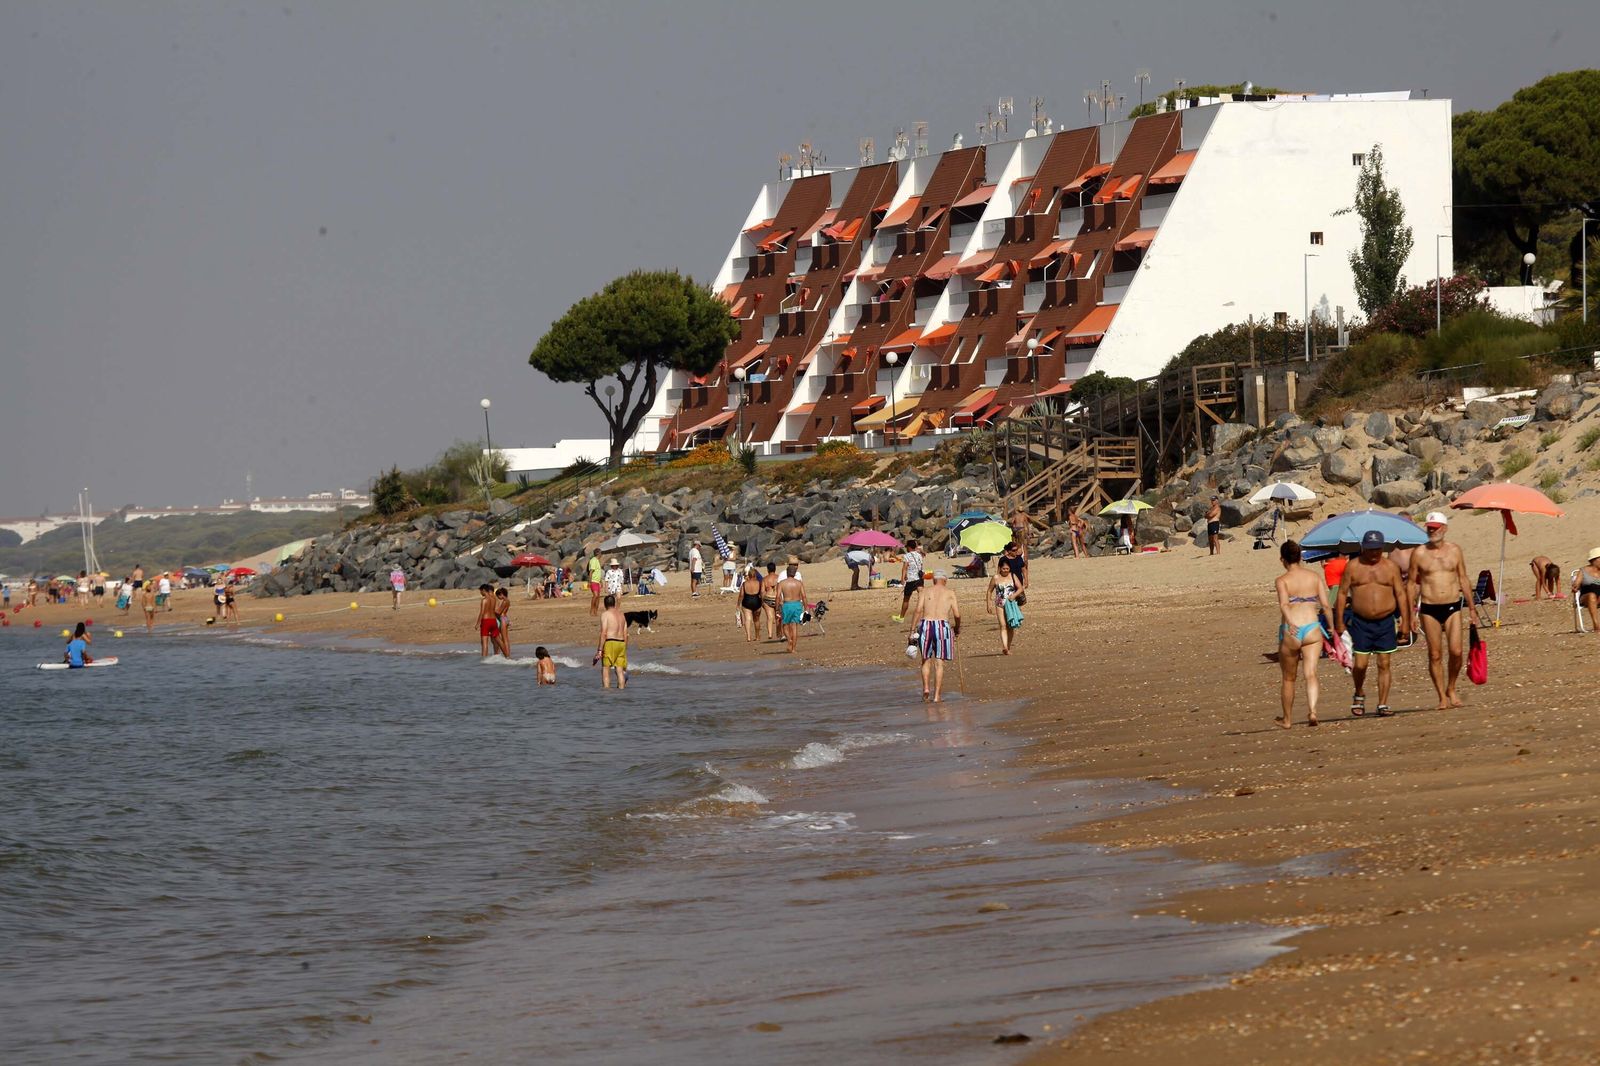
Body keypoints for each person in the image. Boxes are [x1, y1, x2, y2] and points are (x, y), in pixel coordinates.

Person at [1333, 529, 1411, 718]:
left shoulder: (1391, 567)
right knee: (1360, 664)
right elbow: (1342, 593)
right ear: (1363, 548)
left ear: (1382, 547)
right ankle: (1359, 692)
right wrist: (1339, 621)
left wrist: (1405, 622)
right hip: (1360, 622)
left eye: (1377, 549)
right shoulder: (1353, 566)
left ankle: (1382, 704)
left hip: (1385, 622)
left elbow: (1401, 594)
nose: (1374, 553)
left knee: (1384, 663)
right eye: (1370, 549)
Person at [1408, 511, 1481, 710]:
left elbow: (1463, 578)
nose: (1431, 532)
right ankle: (1441, 695)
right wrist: (1410, 612)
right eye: (1429, 528)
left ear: (1445, 528)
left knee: (1456, 651)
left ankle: (1451, 687)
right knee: (1435, 654)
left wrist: (1472, 608)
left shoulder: (1455, 550)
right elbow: (1412, 584)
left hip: (1452, 605)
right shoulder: (1419, 553)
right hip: (1429, 607)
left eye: (1435, 528)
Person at [1275, 540, 1330, 729]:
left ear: (1283, 559)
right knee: (1311, 674)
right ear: (1300, 557)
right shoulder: (1314, 576)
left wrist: (1290, 623)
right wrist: (1331, 627)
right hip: (1312, 628)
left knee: (1289, 678)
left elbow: (1284, 605)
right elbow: (1325, 604)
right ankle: (1313, 711)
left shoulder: (1282, 580)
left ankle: (1287, 719)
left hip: (1293, 630)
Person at [910, 570, 961, 703]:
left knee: (925, 659)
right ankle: (937, 696)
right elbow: (957, 614)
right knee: (939, 663)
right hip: (942, 626)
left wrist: (911, 630)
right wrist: (957, 628)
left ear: (933, 580)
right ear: (945, 580)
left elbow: (918, 610)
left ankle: (926, 688)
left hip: (926, 625)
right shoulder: (950, 593)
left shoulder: (924, 591)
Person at [987, 558, 1022, 655]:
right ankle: (1005, 647)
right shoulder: (995, 578)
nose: (1006, 570)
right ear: (1000, 568)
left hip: (1010, 604)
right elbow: (989, 591)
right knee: (1002, 625)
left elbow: (1020, 588)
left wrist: (1014, 595)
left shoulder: (1013, 576)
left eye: (1007, 568)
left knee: (1010, 626)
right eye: (1004, 569)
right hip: (999, 604)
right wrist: (988, 604)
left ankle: (1008, 646)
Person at [595, 593, 628, 689]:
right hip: (621, 643)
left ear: (605, 605)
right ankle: (621, 690)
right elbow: (626, 634)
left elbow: (604, 633)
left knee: (605, 669)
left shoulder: (605, 614)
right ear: (614, 603)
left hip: (610, 642)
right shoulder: (622, 615)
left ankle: (606, 692)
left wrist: (600, 650)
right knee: (619, 670)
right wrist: (624, 648)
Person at [776, 557, 807, 654]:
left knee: (785, 625)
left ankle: (789, 639)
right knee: (794, 627)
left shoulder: (782, 583)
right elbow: (804, 596)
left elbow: (777, 597)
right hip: (797, 604)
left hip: (787, 605)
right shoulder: (799, 583)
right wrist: (805, 608)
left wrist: (777, 608)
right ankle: (793, 649)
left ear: (787, 573)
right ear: (794, 573)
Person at [892, 540, 924, 623]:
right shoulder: (919, 555)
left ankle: (901, 617)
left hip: (911, 579)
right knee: (921, 597)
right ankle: (924, 616)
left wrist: (902, 578)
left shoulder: (907, 556)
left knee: (906, 599)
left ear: (909, 547)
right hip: (920, 578)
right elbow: (921, 566)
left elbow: (904, 568)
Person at [1574, 547, 1600, 633]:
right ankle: (1597, 626)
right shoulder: (1583, 571)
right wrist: (1575, 586)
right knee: (1592, 594)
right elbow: (1576, 584)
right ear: (1594, 560)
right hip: (1586, 596)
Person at [739, 564, 764, 642]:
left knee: (748, 619)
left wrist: (738, 604)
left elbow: (741, 595)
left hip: (747, 601)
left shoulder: (744, 584)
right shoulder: (759, 583)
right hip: (757, 601)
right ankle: (757, 636)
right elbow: (762, 593)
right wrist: (762, 602)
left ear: (749, 575)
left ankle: (749, 637)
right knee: (756, 620)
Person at [761, 561, 780, 640]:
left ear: (767, 570)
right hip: (776, 598)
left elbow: (762, 591)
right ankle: (778, 633)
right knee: (778, 616)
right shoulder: (779, 578)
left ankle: (770, 634)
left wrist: (762, 601)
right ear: (775, 569)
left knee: (769, 617)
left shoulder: (765, 579)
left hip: (768, 598)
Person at [476, 583, 497, 657]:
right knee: (495, 641)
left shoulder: (484, 600)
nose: (480, 593)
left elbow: (482, 612)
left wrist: (478, 623)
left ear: (484, 590)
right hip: (493, 621)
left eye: (481, 591)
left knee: (484, 643)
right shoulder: (494, 599)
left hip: (486, 621)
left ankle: (484, 660)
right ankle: (498, 655)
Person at [494, 587, 512, 658]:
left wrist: (491, 609)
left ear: (501, 594)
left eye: (498, 596)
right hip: (505, 618)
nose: (498, 598)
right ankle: (508, 654)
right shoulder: (507, 600)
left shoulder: (504, 601)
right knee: (506, 638)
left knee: (504, 639)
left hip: (503, 619)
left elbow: (498, 612)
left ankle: (507, 655)